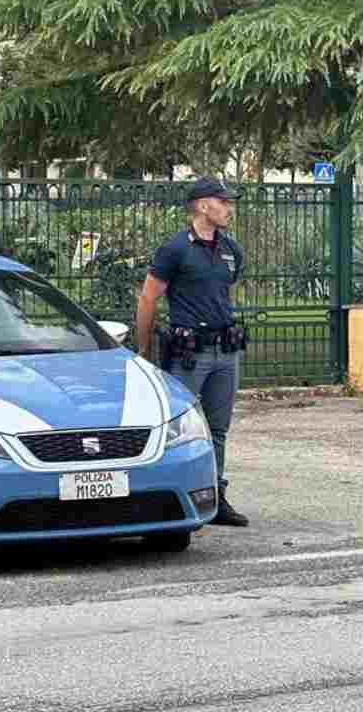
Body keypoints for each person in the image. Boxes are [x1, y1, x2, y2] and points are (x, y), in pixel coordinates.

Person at [134, 176, 250, 527]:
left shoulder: (231, 249)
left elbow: (223, 293)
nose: (229, 208)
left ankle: (215, 496)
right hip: (189, 353)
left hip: (225, 351)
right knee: (176, 428)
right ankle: (167, 496)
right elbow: (149, 298)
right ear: (203, 205)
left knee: (217, 429)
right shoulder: (175, 250)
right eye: (223, 201)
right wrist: (142, 348)